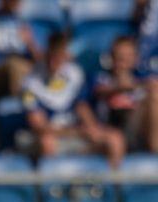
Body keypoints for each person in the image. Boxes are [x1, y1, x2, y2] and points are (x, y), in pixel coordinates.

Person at [22, 33, 126, 167]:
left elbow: (81, 106)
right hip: (52, 136)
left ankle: (112, 186)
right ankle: (52, 187)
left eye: (60, 55)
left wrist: (92, 129)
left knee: (115, 138)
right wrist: (76, 132)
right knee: (47, 141)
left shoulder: (74, 74)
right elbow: (39, 127)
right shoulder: (30, 84)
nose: (55, 61)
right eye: (52, 55)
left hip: (75, 132)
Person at [93, 35, 158, 154]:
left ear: (136, 58)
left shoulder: (141, 79)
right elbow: (101, 91)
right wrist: (126, 87)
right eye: (119, 56)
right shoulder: (103, 78)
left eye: (128, 56)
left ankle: (155, 147)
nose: (123, 60)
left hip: (138, 133)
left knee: (155, 95)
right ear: (111, 57)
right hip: (112, 129)